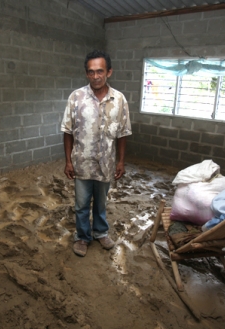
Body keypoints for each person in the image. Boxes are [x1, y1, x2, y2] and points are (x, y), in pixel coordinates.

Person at [61, 50, 132, 257]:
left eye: (100, 71)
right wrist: (68, 161)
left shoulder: (119, 99)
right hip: (82, 163)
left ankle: (100, 232)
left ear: (109, 72)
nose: (96, 76)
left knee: (101, 203)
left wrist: (120, 162)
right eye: (91, 72)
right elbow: (67, 131)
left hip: (106, 164)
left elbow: (123, 133)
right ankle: (82, 237)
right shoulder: (76, 97)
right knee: (81, 204)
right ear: (86, 74)